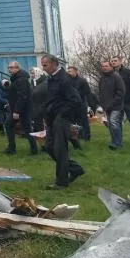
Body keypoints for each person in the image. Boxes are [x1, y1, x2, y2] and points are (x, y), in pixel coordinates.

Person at [40, 54, 85, 190]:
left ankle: (61, 182)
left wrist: (63, 114)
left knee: (60, 150)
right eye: (42, 65)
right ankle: (75, 169)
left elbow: (76, 101)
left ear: (54, 64)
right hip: (52, 118)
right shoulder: (52, 79)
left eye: (45, 64)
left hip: (62, 118)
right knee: (48, 147)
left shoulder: (64, 79)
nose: (43, 67)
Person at [4, 61, 38, 155]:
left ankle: (34, 150)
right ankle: (11, 148)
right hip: (18, 108)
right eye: (9, 67)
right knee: (9, 124)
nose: (9, 69)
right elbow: (14, 93)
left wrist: (17, 111)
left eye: (11, 67)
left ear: (17, 68)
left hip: (23, 109)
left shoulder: (21, 79)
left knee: (27, 129)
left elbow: (23, 96)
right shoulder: (17, 78)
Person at [98, 59, 126, 150]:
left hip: (116, 105)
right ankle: (114, 141)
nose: (104, 68)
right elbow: (101, 93)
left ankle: (117, 143)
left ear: (111, 67)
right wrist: (102, 104)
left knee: (114, 122)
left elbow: (121, 92)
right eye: (103, 66)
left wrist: (113, 103)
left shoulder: (116, 77)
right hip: (106, 106)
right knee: (110, 124)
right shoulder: (102, 79)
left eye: (106, 66)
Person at [66, 66, 94, 142]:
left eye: (70, 71)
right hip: (71, 105)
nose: (68, 72)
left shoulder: (82, 80)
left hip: (81, 104)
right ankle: (76, 136)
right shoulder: (66, 80)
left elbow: (87, 91)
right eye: (67, 71)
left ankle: (86, 136)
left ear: (75, 71)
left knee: (84, 121)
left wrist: (76, 94)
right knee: (73, 122)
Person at [30, 67, 49, 133]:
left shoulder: (45, 81)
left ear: (37, 73)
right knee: (38, 124)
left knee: (49, 124)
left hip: (45, 105)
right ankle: (42, 139)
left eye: (33, 73)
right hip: (36, 106)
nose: (32, 75)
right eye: (31, 74)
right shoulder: (33, 81)